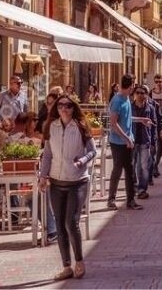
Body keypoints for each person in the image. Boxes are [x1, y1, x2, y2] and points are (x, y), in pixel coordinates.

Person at [39, 95, 97, 281]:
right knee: (60, 225)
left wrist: (82, 160)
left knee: (71, 222)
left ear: (73, 108)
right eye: (61, 105)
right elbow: (47, 154)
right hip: (56, 182)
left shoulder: (80, 126)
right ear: (56, 108)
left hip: (77, 181)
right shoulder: (51, 127)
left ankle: (79, 261)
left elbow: (92, 151)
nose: (64, 108)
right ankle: (66, 266)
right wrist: (43, 176)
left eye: (68, 105)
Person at [106, 74, 144, 211]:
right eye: (133, 84)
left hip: (127, 141)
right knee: (119, 169)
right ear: (130, 85)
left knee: (129, 170)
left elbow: (127, 118)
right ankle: (112, 199)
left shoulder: (127, 98)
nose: (134, 87)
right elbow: (114, 123)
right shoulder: (117, 101)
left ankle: (130, 200)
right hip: (118, 142)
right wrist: (126, 138)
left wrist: (141, 120)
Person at [130, 85, 157, 200]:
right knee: (132, 165)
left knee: (144, 166)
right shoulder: (129, 107)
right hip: (132, 140)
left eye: (143, 93)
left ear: (146, 94)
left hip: (145, 140)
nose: (141, 95)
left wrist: (153, 142)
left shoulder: (150, 108)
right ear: (135, 94)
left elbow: (154, 125)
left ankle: (142, 189)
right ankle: (133, 186)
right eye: (138, 92)